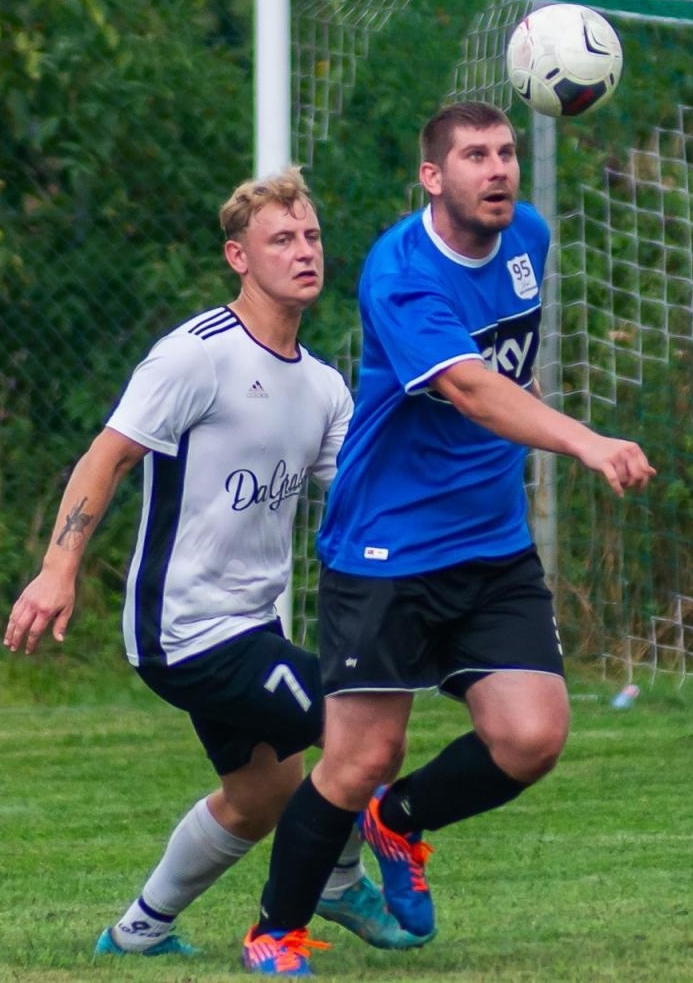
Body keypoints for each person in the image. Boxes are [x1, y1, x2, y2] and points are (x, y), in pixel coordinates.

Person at [237, 101, 656, 976]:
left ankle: (402, 822)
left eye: (506, 152)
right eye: (475, 156)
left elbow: (511, 363)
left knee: (532, 738)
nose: (498, 169)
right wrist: (584, 440)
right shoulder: (400, 270)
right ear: (434, 177)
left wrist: (535, 418)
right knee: (360, 755)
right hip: (389, 545)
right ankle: (274, 930)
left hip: (491, 541)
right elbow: (468, 387)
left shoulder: (528, 237)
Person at [3, 167, 423, 959]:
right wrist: (57, 570)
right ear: (239, 256)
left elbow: (366, 495)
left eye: (311, 237)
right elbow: (107, 455)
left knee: (260, 796)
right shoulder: (197, 356)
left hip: (249, 623)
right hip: (185, 627)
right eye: (281, 240)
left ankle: (137, 932)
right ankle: (324, 889)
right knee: (352, 732)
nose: (304, 253)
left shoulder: (325, 387)